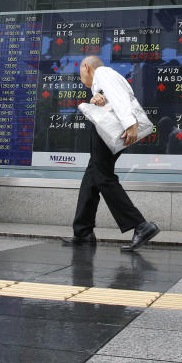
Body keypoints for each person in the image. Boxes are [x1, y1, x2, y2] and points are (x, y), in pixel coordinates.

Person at [61, 55, 160, 251]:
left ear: (86, 67)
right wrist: (96, 98)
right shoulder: (102, 81)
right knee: (92, 176)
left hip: (115, 130)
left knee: (102, 176)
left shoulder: (104, 72)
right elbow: (111, 100)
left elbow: (120, 97)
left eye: (81, 73)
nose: (81, 77)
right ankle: (83, 232)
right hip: (110, 129)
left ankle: (141, 225)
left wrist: (130, 124)